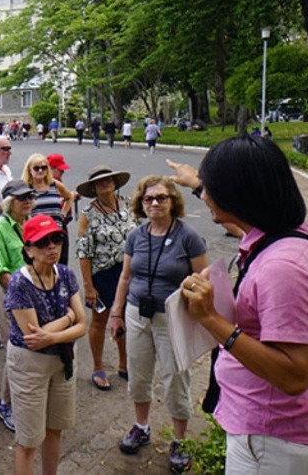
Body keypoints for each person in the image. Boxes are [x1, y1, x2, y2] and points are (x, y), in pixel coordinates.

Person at [173, 135, 308, 474]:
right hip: (274, 432)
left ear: (237, 195)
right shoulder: (288, 233)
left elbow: (293, 374)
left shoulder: (282, 268)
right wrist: (197, 183)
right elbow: (238, 225)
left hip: (272, 439)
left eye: (210, 188)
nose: (205, 197)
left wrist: (211, 319)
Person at [109, 175, 207, 472]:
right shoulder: (136, 236)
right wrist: (116, 312)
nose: (154, 203)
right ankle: (141, 426)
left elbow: (203, 281)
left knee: (176, 378)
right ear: (141, 203)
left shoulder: (188, 237)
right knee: (138, 375)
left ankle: (180, 441)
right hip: (137, 314)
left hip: (172, 318)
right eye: (148, 199)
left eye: (161, 198)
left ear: (172, 201)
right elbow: (126, 277)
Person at [5, 215, 87, 475]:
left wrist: (53, 335)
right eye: (42, 242)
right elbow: (34, 338)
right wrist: (69, 318)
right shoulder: (19, 283)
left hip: (62, 360)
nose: (52, 246)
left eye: (57, 238)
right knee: (28, 440)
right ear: (28, 250)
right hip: (30, 364)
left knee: (55, 430)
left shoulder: (65, 273)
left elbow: (82, 326)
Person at [75, 165, 136, 391]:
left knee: (126, 318)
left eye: (108, 180)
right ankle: (98, 367)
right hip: (102, 274)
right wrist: (88, 286)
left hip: (129, 272)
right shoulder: (88, 214)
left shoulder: (129, 204)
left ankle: (124, 363)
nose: (105, 184)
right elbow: (84, 252)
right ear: (93, 187)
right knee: (100, 320)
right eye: (100, 182)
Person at [0, 179, 36, 432]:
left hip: (31, 294)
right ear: (8, 203)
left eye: (29, 196)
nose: (27, 201)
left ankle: (18, 399)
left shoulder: (29, 223)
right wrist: (25, 295)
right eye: (21, 198)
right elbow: (0, 271)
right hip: (9, 293)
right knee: (14, 349)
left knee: (26, 348)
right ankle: (5, 403)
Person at [22, 153, 74, 266]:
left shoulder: (54, 184)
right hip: (38, 237)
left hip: (57, 234)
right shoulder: (26, 189)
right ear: (29, 170)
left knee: (60, 266)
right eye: (36, 168)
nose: (40, 171)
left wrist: (63, 214)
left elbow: (69, 197)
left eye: (44, 167)